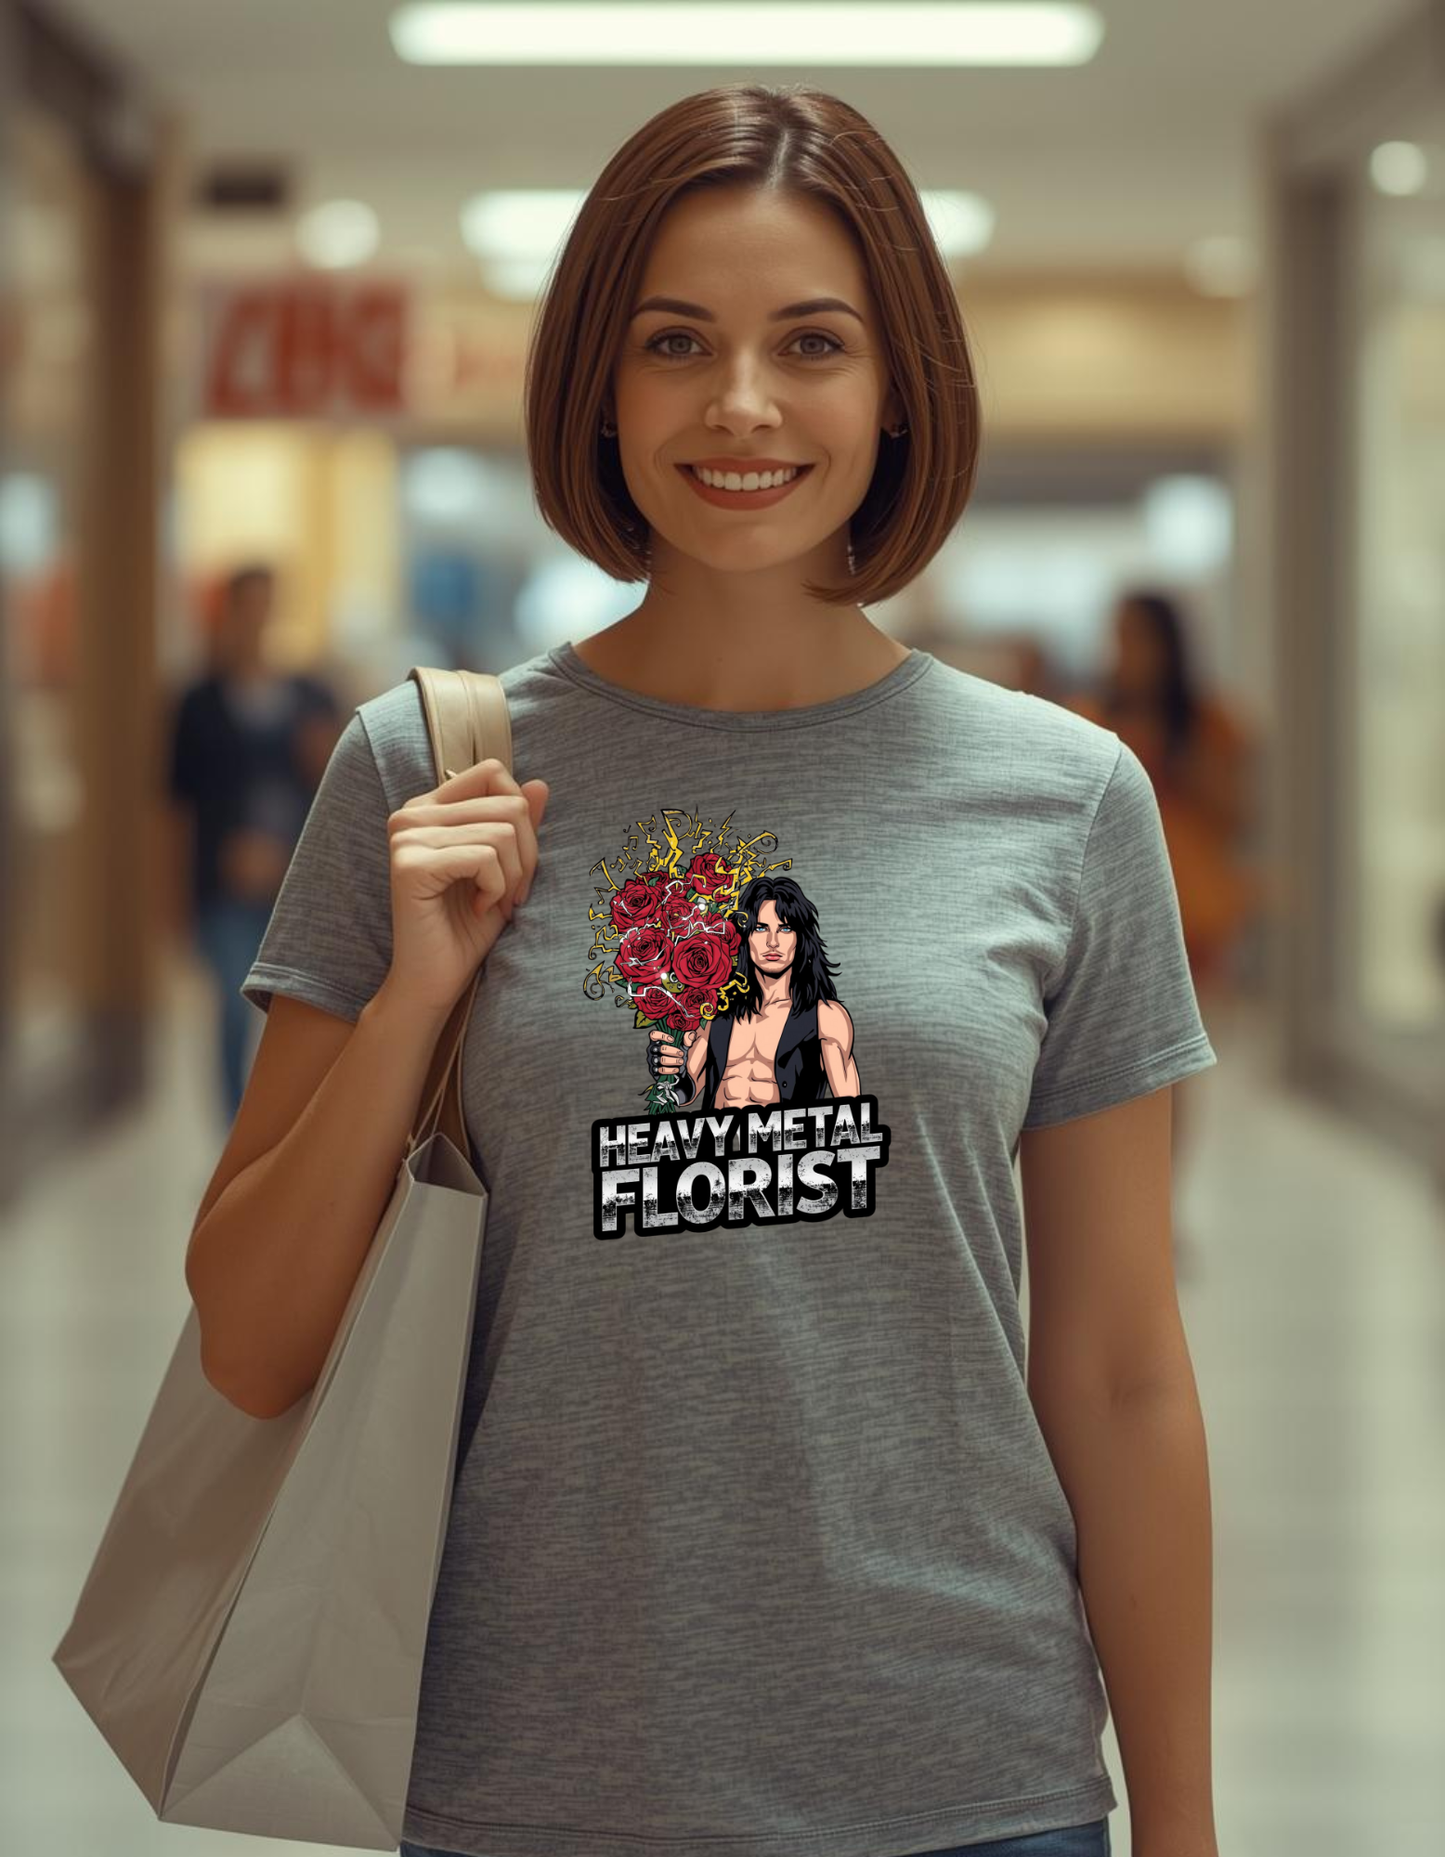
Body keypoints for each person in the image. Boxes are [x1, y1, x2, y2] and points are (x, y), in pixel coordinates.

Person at [183, 86, 1220, 1857]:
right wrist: (417, 1003)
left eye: (810, 343)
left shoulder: (1065, 799)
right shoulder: (422, 775)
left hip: (969, 1778)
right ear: (599, 377)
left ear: (898, 391)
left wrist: (1185, 1828)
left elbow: (1120, 1368)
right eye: (678, 342)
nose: (741, 405)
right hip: (532, 1781)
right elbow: (253, 1346)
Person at [1062, 590, 1261, 1220]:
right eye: (1119, 635)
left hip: (1191, 908)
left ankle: (1159, 1206)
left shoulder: (1209, 722)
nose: (1126, 651)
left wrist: (1172, 760)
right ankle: (1114, 1206)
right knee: (1101, 1067)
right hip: (1107, 909)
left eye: (1138, 636)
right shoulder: (1088, 715)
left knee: (1171, 1069)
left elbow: (1235, 816)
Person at [165, 564, 341, 1123]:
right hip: (223, 883)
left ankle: (286, 1133)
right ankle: (233, 1133)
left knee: (299, 1017)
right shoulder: (198, 702)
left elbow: (341, 786)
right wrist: (171, 900)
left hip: (296, 881)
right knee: (233, 1012)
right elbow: (174, 808)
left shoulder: (310, 694)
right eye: (248, 605)